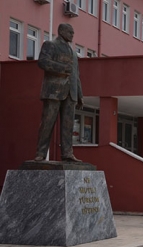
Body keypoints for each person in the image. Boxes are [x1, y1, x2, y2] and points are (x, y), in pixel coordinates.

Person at [34, 23, 83, 162]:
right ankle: (41, 153)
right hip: (54, 90)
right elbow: (42, 62)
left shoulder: (73, 52)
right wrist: (62, 68)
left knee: (68, 125)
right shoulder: (51, 45)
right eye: (70, 32)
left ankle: (67, 153)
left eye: (73, 32)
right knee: (47, 123)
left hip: (70, 93)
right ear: (61, 31)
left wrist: (79, 94)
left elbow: (76, 74)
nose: (72, 35)